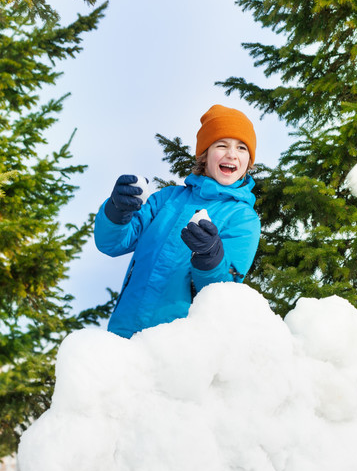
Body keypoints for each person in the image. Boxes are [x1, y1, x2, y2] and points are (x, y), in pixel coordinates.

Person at [94, 104, 261, 337]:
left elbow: (224, 292)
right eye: (221, 145)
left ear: (248, 161)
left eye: (242, 148)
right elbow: (111, 243)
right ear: (204, 155)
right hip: (123, 335)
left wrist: (209, 255)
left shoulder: (243, 218)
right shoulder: (167, 199)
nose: (232, 154)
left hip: (176, 348)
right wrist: (117, 209)